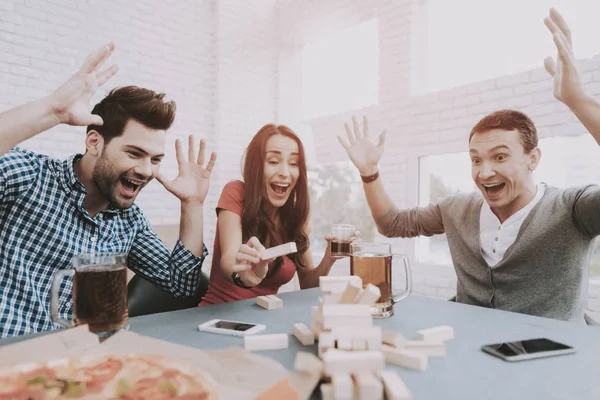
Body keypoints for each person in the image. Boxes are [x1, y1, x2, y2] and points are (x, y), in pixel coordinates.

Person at [337, 9, 600, 322]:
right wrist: (369, 172)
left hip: (551, 361)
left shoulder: (572, 209)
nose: (484, 171)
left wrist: (579, 100)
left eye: (500, 157)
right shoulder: (457, 209)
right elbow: (392, 224)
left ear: (533, 159)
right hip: (469, 352)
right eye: (476, 159)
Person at [0, 43, 216, 337]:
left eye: (155, 159)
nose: (145, 170)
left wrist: (192, 203)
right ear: (94, 142)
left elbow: (182, 283)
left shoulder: (129, 221)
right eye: (134, 153)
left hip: (86, 364)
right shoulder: (32, 176)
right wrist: (53, 110)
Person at [200, 124, 356, 305]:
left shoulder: (297, 216)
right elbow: (228, 260)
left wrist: (329, 258)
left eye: (293, 164)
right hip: (219, 314)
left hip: (266, 319)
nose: (284, 173)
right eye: (273, 162)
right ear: (256, 166)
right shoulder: (236, 192)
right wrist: (242, 275)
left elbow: (308, 284)